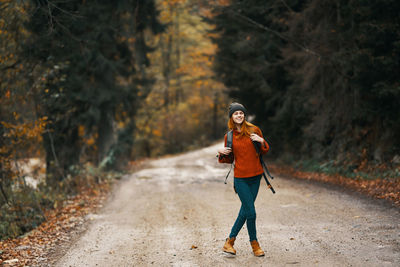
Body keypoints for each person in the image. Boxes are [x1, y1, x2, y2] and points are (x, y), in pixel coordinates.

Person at [217, 102, 269, 257]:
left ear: (244, 115)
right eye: (235, 113)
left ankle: (229, 242)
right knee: (251, 213)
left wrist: (261, 141)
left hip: (256, 177)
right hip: (241, 179)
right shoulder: (230, 136)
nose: (239, 115)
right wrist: (220, 152)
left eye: (241, 113)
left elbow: (264, 150)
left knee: (245, 211)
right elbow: (228, 159)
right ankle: (255, 245)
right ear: (232, 117)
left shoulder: (254, 130)